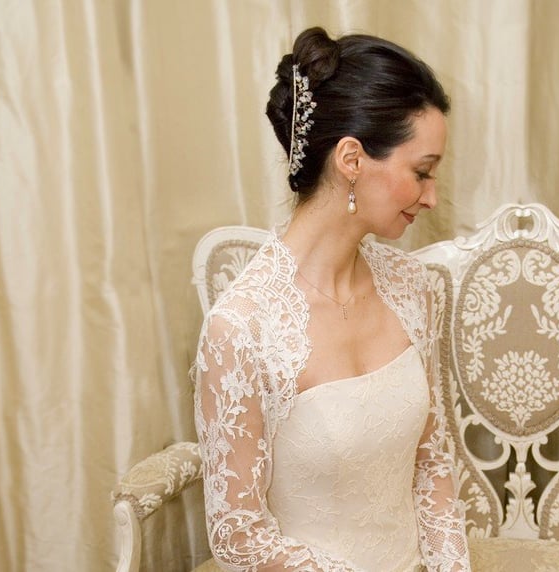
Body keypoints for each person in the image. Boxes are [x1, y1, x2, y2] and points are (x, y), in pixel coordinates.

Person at [194, 26, 471, 571]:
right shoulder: (242, 328)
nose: (432, 197)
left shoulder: (412, 287)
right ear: (351, 159)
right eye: (421, 172)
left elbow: (431, 463)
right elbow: (239, 537)